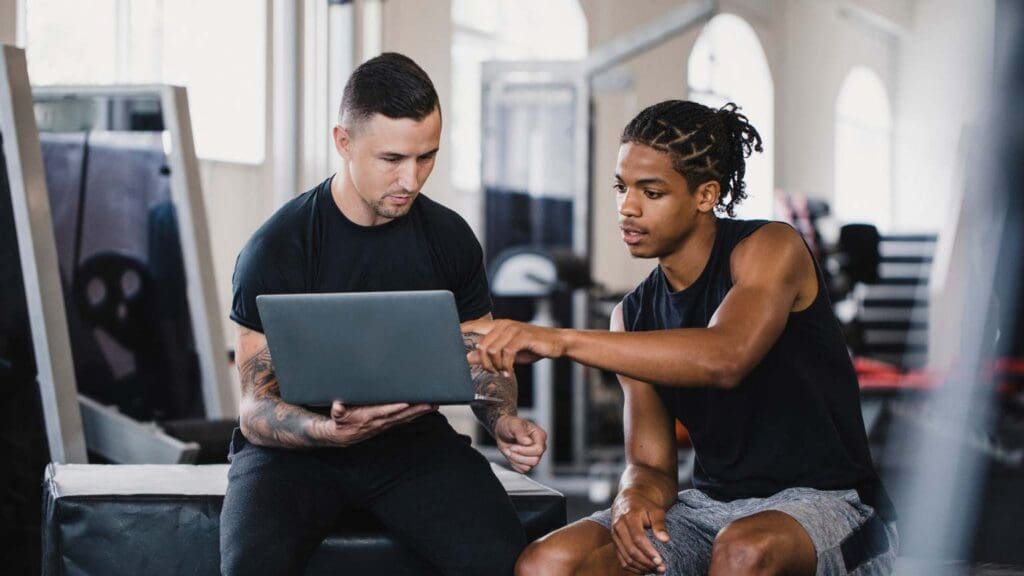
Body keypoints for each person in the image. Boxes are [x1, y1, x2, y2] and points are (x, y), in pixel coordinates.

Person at [464, 100, 898, 575]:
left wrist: (560, 340)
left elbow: (726, 357)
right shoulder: (632, 314)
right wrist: (633, 497)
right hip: (711, 510)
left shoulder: (771, 249)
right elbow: (650, 466)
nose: (627, 208)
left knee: (742, 552)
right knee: (549, 563)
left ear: (705, 195)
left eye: (651, 192)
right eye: (621, 187)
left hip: (833, 507)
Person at [221, 52, 547, 576]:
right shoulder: (278, 246)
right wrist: (329, 433)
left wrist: (502, 418)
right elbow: (255, 409)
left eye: (426, 158)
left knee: (502, 563)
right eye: (392, 159)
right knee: (250, 568)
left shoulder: (449, 238)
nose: (411, 180)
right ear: (343, 142)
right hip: (297, 454)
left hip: (411, 445)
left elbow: (480, 359)